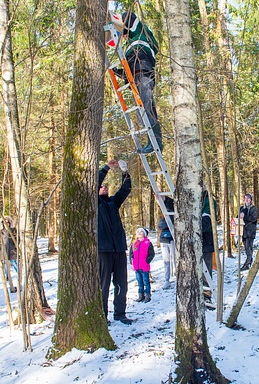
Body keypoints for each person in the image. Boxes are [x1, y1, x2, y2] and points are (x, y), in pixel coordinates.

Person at [115, 12, 162, 154]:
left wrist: (117, 21)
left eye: (124, 33)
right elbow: (130, 68)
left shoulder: (140, 34)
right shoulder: (131, 44)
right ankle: (152, 142)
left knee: (147, 108)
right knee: (142, 112)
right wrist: (119, 72)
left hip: (143, 75)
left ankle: (156, 143)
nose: (123, 37)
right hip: (136, 78)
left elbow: (129, 16)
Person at [98, 159, 133, 324]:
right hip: (103, 250)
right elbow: (93, 184)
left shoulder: (113, 202)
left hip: (119, 248)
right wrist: (106, 168)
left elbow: (125, 190)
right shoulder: (95, 204)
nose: (103, 187)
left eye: (105, 186)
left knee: (121, 284)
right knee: (103, 286)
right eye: (101, 187)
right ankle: (102, 316)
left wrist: (125, 173)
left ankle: (120, 313)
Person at [129, 227, 155, 303]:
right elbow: (131, 254)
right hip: (136, 267)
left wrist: (147, 261)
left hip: (144, 267)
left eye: (141, 232)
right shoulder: (134, 244)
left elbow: (152, 254)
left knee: (146, 281)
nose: (139, 233)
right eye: (138, 232)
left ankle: (147, 295)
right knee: (139, 281)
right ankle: (141, 295)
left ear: (145, 234)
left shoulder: (148, 243)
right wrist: (132, 261)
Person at [201, 186, 217, 299]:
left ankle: (206, 296)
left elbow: (207, 220)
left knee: (206, 269)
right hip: (194, 239)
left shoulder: (209, 201)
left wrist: (193, 228)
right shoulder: (189, 197)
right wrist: (165, 201)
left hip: (206, 240)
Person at [157, 195, 174, 289]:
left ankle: (177, 277)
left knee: (176, 259)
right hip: (164, 240)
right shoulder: (164, 216)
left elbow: (170, 223)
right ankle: (166, 280)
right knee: (166, 261)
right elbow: (160, 226)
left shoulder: (173, 212)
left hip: (173, 239)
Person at [239, 193, 258, 271]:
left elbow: (254, 219)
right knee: (246, 247)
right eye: (245, 198)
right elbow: (238, 218)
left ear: (251, 200)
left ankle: (248, 263)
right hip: (243, 230)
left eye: (248, 198)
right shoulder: (241, 208)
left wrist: (245, 216)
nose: (246, 200)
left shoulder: (254, 208)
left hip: (250, 230)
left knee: (249, 247)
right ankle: (248, 261)